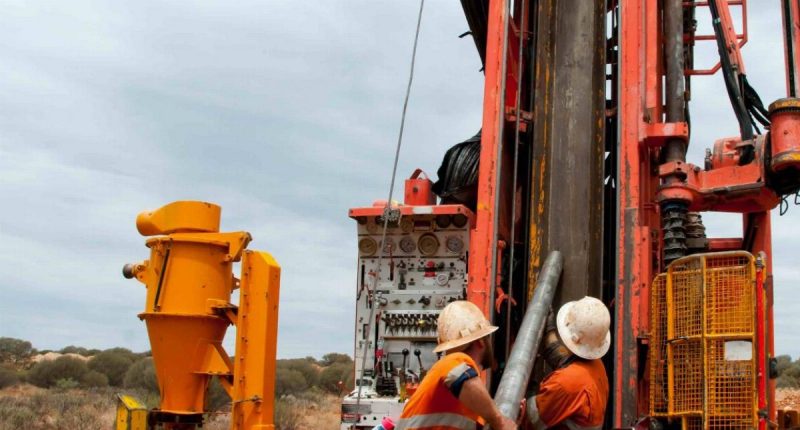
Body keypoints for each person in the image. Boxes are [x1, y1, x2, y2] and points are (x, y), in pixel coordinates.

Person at [397, 300, 517, 430]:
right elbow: (459, 376)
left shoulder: (469, 401)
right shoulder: (453, 360)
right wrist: (500, 421)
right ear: (481, 341)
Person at [526, 296, 610, 430]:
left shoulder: (565, 383)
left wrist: (528, 383)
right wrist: (549, 329)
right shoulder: (596, 365)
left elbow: (532, 420)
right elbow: (563, 359)